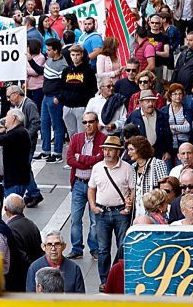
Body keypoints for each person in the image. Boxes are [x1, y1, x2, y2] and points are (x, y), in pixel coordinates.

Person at [88, 136, 134, 284]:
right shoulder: (97, 168)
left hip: (120, 212)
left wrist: (128, 207)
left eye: (110, 150)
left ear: (117, 152)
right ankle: (104, 280)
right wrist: (93, 206)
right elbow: (91, 189)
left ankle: (117, 277)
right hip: (102, 212)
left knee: (122, 246)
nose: (107, 152)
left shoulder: (127, 168)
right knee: (103, 249)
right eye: (105, 149)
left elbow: (133, 190)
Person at [66, 110, 105, 260]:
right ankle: (76, 248)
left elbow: (100, 160)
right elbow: (69, 160)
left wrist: (80, 158)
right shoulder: (76, 138)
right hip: (78, 183)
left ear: (96, 123)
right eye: (85, 122)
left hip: (94, 186)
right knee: (75, 218)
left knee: (95, 220)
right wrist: (89, 161)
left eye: (90, 122)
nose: (87, 125)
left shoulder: (103, 139)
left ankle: (94, 248)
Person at [127, 91, 173, 164]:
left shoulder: (162, 115)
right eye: (148, 101)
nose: (151, 104)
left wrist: (167, 151)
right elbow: (126, 135)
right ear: (141, 103)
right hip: (139, 154)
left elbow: (168, 136)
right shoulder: (133, 116)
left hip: (159, 154)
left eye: (153, 101)